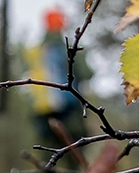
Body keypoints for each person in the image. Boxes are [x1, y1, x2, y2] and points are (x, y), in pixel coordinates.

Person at [26, 8, 91, 151]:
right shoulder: (68, 48)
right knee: (75, 159)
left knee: (48, 159)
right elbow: (87, 74)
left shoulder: (36, 51)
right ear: (62, 24)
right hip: (70, 112)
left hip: (43, 114)